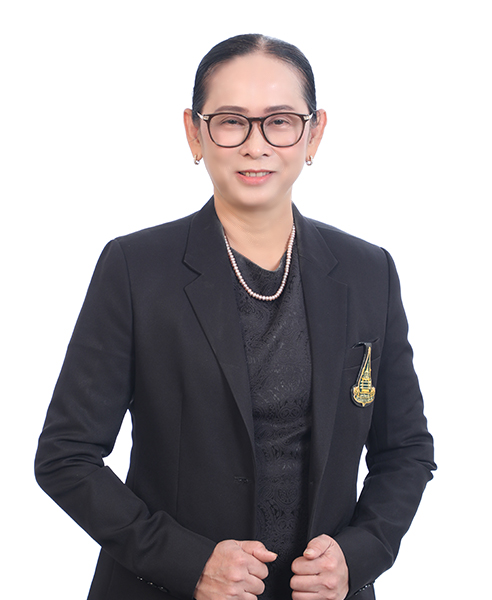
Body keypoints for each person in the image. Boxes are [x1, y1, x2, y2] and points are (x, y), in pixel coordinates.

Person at [35, 33, 436, 600]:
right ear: (195, 133)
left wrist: (359, 555)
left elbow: (406, 450)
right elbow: (66, 456)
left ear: (314, 133)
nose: (256, 145)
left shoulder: (369, 272)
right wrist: (188, 563)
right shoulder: (135, 268)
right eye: (230, 122)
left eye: (280, 121)